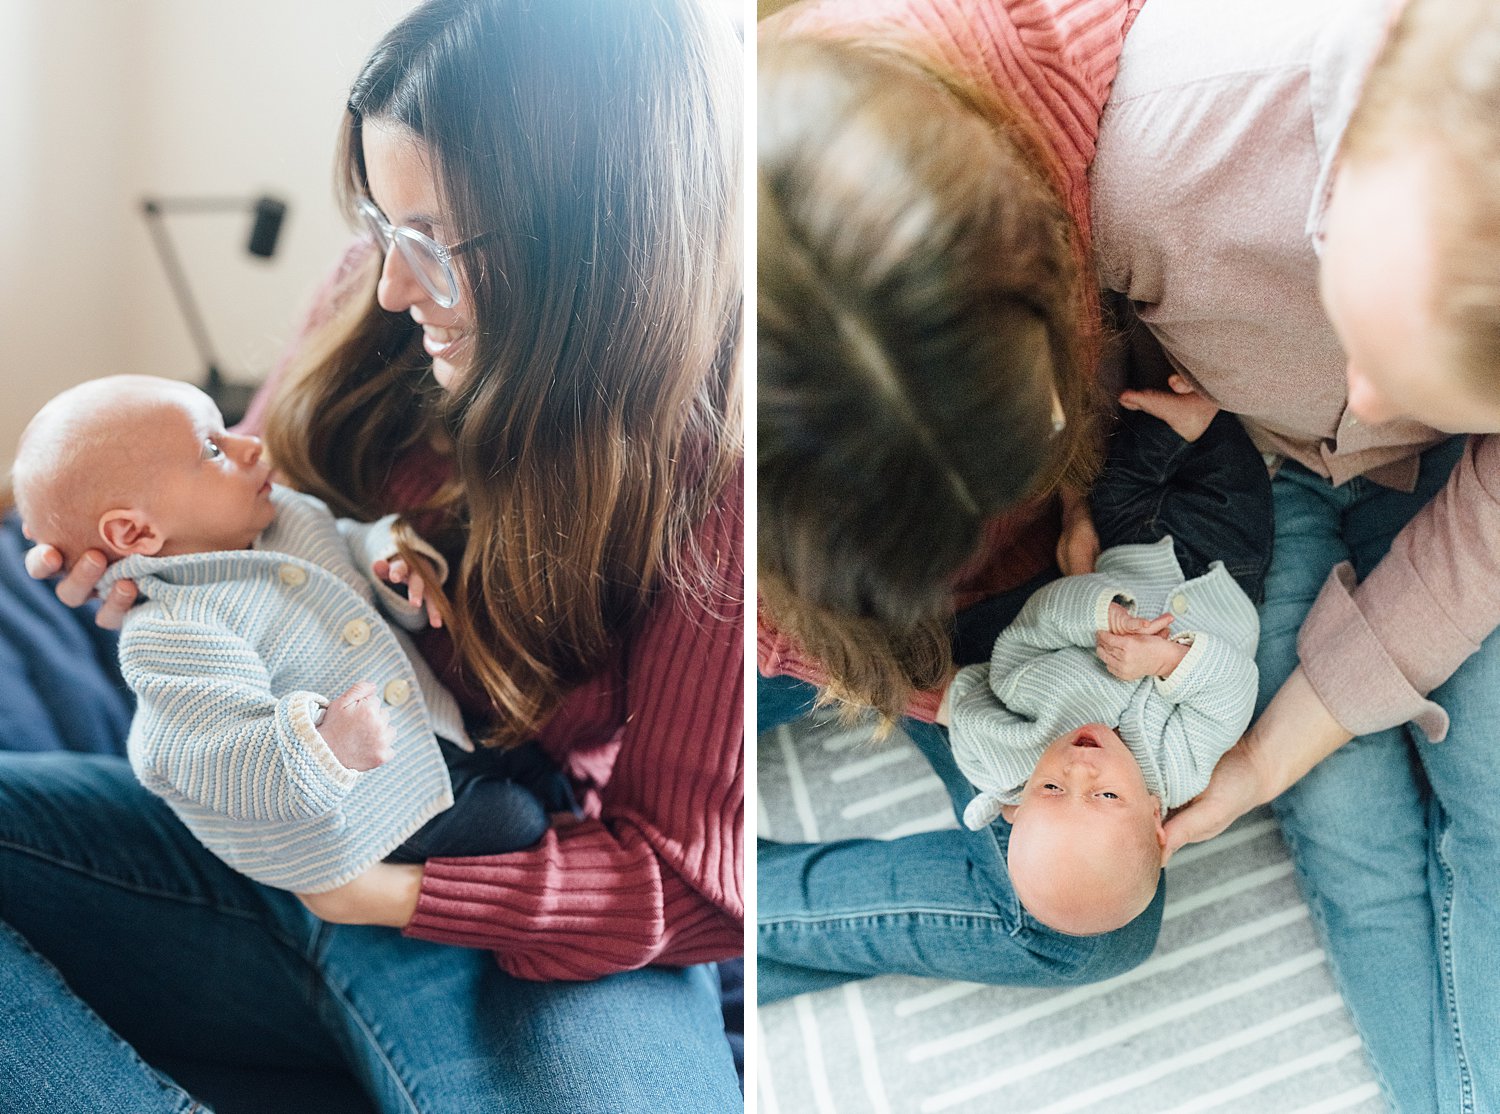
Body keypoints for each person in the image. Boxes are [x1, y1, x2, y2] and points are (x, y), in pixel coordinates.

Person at [0, 0, 743, 1110]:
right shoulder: (379, 290)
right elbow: (246, 500)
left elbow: (696, 887)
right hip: (261, 838)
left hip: (500, 866)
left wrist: (386, 895)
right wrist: (152, 561)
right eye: (384, 230)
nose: (392, 287)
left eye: (434, 242)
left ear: (596, 235)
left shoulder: (722, 483)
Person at [758, 0, 1500, 1107]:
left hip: (1156, 515)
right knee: (1114, 894)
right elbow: (957, 690)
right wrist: (1050, 761)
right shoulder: (1170, 164)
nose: (1373, 399)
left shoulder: (1083, 154)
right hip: (1096, 544)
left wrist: (1091, 593)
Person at [11, 375, 568, 893]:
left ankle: (560, 815)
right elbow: (215, 754)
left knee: (536, 764)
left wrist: (390, 563)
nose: (248, 444)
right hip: (352, 806)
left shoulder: (286, 514)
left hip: (427, 726)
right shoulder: (173, 630)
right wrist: (326, 748)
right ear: (136, 531)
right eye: (212, 449)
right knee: (513, 818)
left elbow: (347, 540)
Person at [949, 387, 1266, 938]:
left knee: (1118, 480)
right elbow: (1234, 690)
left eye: (1050, 790)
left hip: (1122, 558)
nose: (1078, 770)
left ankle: (1170, 420)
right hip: (1226, 576)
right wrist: (1168, 660)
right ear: (1155, 819)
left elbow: (1033, 627)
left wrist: (1098, 612)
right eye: (1106, 796)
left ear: (1016, 807)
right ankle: (1206, 417)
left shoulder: (1023, 730)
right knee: (1240, 484)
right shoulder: (1179, 770)